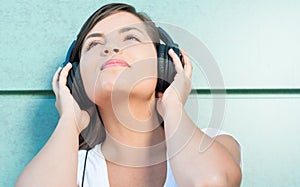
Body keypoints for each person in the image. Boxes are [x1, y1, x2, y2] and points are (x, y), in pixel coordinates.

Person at [15, 3, 242, 187]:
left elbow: (210, 182)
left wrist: (172, 104)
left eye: (131, 38)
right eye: (94, 43)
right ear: (76, 78)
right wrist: (69, 121)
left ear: (164, 64)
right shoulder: (69, 168)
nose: (110, 49)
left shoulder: (214, 142)